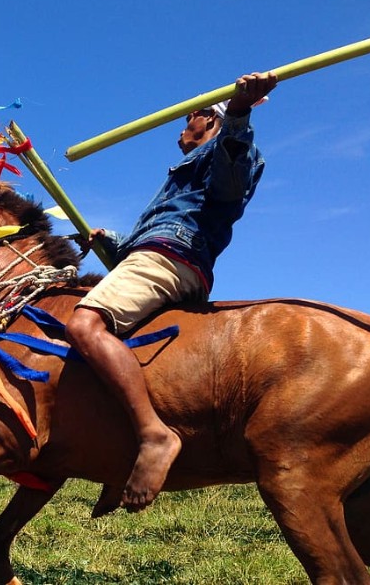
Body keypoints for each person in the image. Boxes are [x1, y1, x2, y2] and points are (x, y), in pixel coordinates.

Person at [66, 71, 279, 512]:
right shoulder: (182, 175)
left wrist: (238, 114)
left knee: (85, 325)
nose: (182, 126)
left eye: (190, 117)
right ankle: (119, 455)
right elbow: (156, 232)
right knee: (119, 352)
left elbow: (230, 182)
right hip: (167, 258)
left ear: (210, 120)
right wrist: (108, 242)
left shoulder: (227, 152)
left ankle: (153, 434)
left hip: (168, 259)